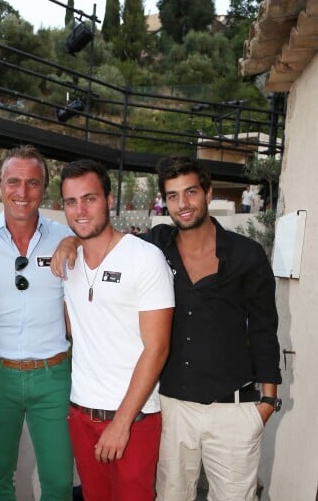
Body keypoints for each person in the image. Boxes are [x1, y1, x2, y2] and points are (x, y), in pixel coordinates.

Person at [51, 155, 282, 501]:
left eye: (190, 192)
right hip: (174, 406)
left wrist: (267, 401)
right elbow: (102, 238)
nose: (183, 204)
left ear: (208, 193)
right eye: (172, 196)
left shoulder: (246, 255)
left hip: (234, 408)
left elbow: (265, 328)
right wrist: (69, 242)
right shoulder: (157, 244)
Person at [0, 145, 74, 500]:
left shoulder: (66, 238)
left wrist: (75, 240)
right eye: (13, 181)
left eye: (32, 183)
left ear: (44, 189)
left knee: (58, 482)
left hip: (54, 376)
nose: (22, 193)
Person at [60, 160, 174, 501]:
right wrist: (69, 243)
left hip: (133, 419)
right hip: (81, 413)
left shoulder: (145, 258)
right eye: (70, 202)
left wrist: (122, 423)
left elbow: (157, 348)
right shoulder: (68, 261)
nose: (80, 210)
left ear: (110, 200)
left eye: (89, 198)